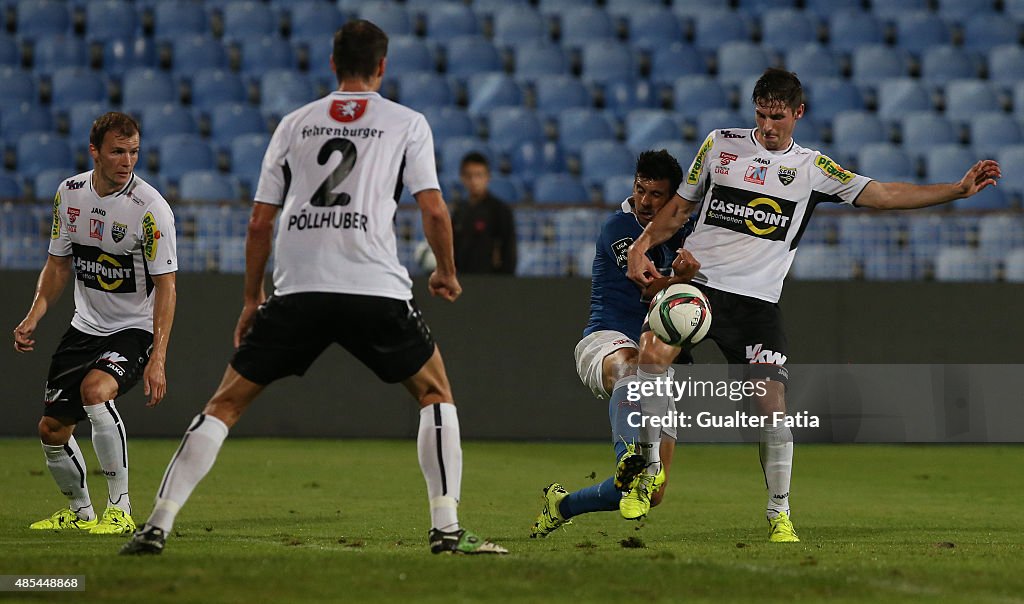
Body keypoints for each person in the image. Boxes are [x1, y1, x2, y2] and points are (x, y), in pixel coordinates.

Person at [121, 20, 506, 556]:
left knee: (226, 403)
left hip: (298, 288)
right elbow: (435, 207)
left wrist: (252, 298)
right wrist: (446, 270)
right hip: (375, 287)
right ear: (382, 66)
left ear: (332, 64)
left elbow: (260, 221)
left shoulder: (295, 124)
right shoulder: (407, 122)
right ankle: (445, 528)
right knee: (435, 393)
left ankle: (157, 523)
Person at [625, 68, 1001, 542]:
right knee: (651, 353)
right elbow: (678, 208)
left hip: (756, 303)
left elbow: (881, 195)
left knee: (772, 406)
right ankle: (649, 470)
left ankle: (779, 512)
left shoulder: (813, 169)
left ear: (798, 113)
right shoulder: (720, 145)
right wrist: (641, 245)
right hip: (697, 285)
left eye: (777, 117)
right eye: (761, 115)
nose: (767, 126)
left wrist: (955, 190)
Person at [13, 112, 178, 536]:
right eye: (118, 151)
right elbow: (57, 264)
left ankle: (119, 511)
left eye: (134, 151)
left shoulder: (151, 209)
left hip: (134, 328)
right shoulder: (69, 195)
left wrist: (158, 356)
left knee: (96, 392)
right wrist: (35, 312)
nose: (127, 161)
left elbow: (166, 285)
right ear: (95, 152)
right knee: (51, 429)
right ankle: (80, 510)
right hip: (84, 326)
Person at [531, 150, 699, 537]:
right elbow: (648, 286)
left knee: (652, 494)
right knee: (631, 365)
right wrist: (685, 280)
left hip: (657, 368)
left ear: (673, 198)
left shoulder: (690, 232)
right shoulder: (619, 227)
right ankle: (628, 456)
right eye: (640, 189)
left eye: (656, 195)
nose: (644, 201)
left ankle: (563, 505)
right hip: (605, 341)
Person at [450, 152, 516, 273]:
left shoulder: (500, 210)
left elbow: (509, 250)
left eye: (479, 175)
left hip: (492, 282)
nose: (474, 181)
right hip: (464, 280)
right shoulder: (459, 211)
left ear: (487, 177)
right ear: (462, 178)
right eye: (469, 176)